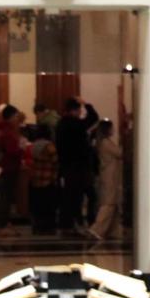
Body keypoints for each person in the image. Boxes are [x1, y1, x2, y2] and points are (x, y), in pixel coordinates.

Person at [55, 98, 92, 231]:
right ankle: (74, 223)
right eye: (78, 110)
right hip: (77, 164)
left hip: (65, 163)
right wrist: (86, 103)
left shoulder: (61, 124)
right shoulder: (74, 124)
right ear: (74, 111)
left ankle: (67, 223)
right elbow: (93, 118)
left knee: (68, 195)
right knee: (76, 196)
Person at [86, 119, 124, 240]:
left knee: (114, 203)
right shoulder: (105, 143)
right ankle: (97, 229)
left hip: (110, 175)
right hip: (110, 176)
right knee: (109, 203)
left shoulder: (102, 142)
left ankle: (113, 230)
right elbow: (119, 153)